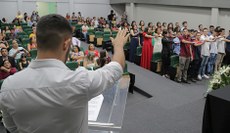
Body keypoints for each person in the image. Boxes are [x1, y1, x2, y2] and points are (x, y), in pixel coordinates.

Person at [0, 14, 129, 133]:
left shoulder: (7, 86)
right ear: (66, 43)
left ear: (37, 41)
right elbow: (116, 68)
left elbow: (11, 128)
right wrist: (118, 46)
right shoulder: (80, 81)